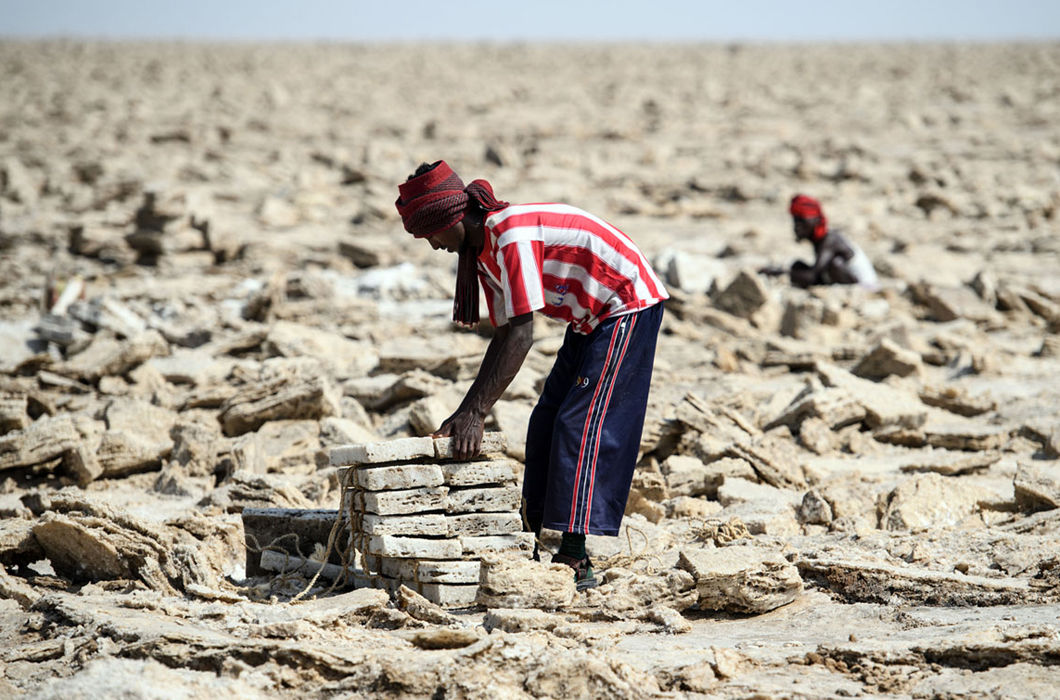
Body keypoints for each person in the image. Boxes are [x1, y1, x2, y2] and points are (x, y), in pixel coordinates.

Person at [395, 160, 668, 589]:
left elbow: (522, 337)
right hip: (587, 318)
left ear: (453, 219)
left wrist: (477, 413)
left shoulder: (510, 236)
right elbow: (502, 335)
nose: (433, 246)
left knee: (580, 423)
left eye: (431, 235)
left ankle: (576, 556)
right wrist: (464, 412)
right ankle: (532, 537)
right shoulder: (482, 254)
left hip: (625, 303)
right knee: (545, 421)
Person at [780, 194, 879, 290]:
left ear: (816, 220)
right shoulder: (819, 240)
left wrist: (781, 273)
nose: (797, 226)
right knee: (797, 266)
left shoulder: (830, 240)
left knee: (835, 264)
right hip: (843, 278)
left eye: (802, 221)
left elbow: (812, 275)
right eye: (796, 221)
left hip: (865, 287)